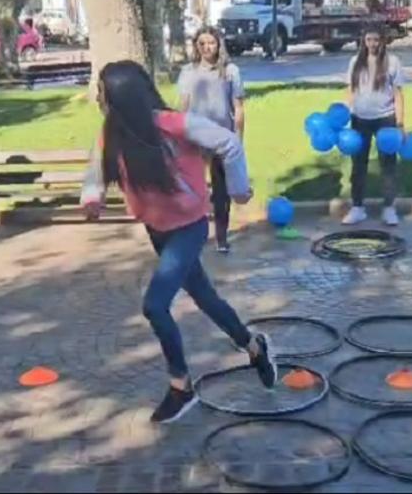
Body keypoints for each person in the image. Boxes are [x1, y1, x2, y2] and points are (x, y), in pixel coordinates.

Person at [80, 60, 276, 424]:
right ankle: (254, 346)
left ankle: (181, 386)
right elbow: (96, 167)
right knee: (205, 298)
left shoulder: (173, 124)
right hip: (158, 229)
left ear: (121, 95)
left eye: (102, 91)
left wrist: (236, 189)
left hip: (190, 227)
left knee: (155, 305)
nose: (98, 98)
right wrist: (92, 197)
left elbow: (229, 143)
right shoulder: (113, 131)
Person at [177, 26, 245, 254]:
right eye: (202, 44)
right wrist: (180, 135)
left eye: (211, 43)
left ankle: (222, 237)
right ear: (196, 46)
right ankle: (192, 234)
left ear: (219, 45)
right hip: (196, 137)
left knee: (221, 190)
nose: (207, 48)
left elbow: (238, 108)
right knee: (193, 188)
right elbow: (183, 107)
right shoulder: (188, 72)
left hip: (222, 138)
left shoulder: (230, 71)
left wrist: (238, 139)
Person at [342, 25, 407, 227]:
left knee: (388, 164)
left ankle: (389, 208)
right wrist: (345, 113)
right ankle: (357, 207)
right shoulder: (356, 62)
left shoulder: (392, 62)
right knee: (358, 164)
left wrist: (401, 123)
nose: (372, 44)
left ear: (383, 41)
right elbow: (350, 91)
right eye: (369, 39)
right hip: (359, 119)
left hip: (385, 119)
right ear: (364, 41)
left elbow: (398, 95)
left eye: (376, 39)